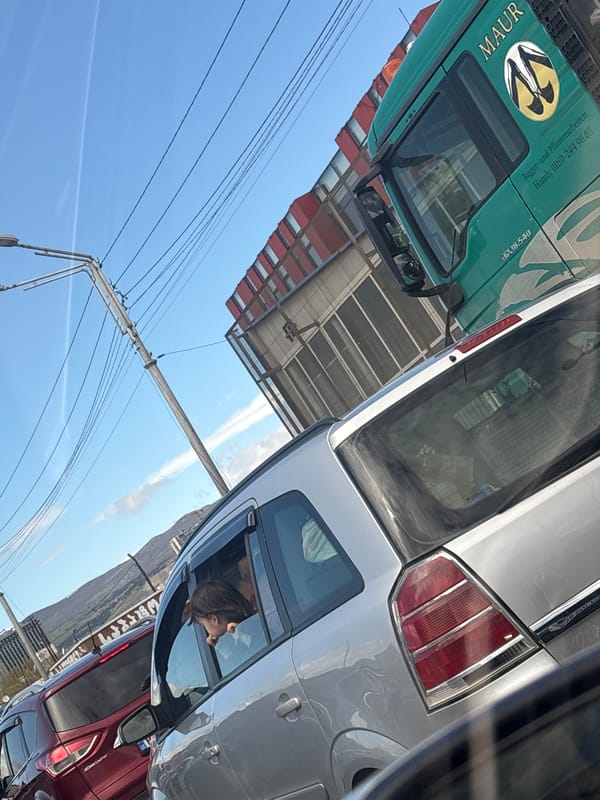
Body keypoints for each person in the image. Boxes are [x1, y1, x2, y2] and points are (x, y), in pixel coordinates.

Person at [182, 579, 254, 646]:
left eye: (203, 624)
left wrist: (242, 636)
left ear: (214, 619)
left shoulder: (249, 629)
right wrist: (223, 648)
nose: (207, 636)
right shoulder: (254, 616)